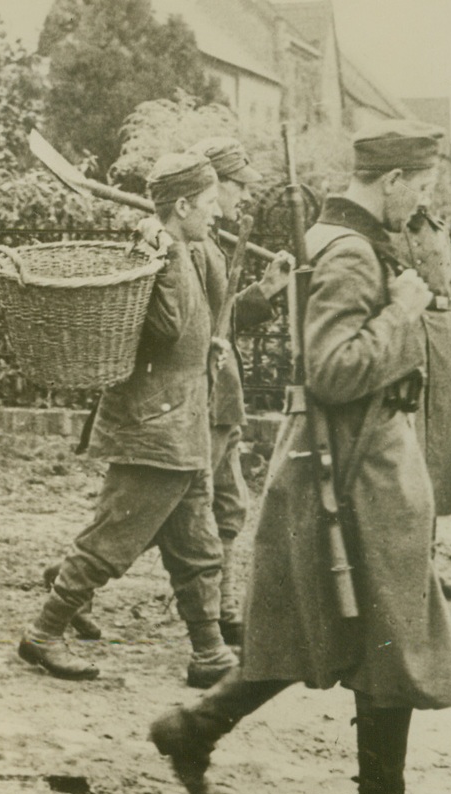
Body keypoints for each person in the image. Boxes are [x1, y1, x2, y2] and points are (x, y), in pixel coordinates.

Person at [150, 120, 451, 794]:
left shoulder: (334, 236)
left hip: (350, 462)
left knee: (328, 629)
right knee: (389, 634)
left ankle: (195, 729)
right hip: (357, 469)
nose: (419, 204)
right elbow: (333, 370)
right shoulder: (354, 253)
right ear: (392, 180)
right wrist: (402, 313)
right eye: (418, 187)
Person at [19, 152, 239, 688]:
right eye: (209, 204)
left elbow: (202, 317)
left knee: (198, 545)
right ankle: (43, 634)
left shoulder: (186, 247)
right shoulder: (155, 253)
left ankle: (209, 654)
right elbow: (163, 331)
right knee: (111, 541)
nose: (218, 213)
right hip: (152, 424)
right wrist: (161, 257)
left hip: (182, 422)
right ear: (182, 205)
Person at [185, 137, 293, 645]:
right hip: (197, 400)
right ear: (212, 184)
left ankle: (226, 610)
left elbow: (221, 323)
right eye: (236, 187)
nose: (242, 198)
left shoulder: (214, 241)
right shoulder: (190, 246)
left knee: (229, 506)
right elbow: (193, 329)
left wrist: (265, 290)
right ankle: (72, 580)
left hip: (223, 400)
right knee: (170, 509)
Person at [398, 201, 451, 604]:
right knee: (416, 448)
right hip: (414, 332)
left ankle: (429, 562)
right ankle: (412, 566)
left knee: (443, 447)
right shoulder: (394, 227)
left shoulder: (435, 223)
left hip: (443, 334)